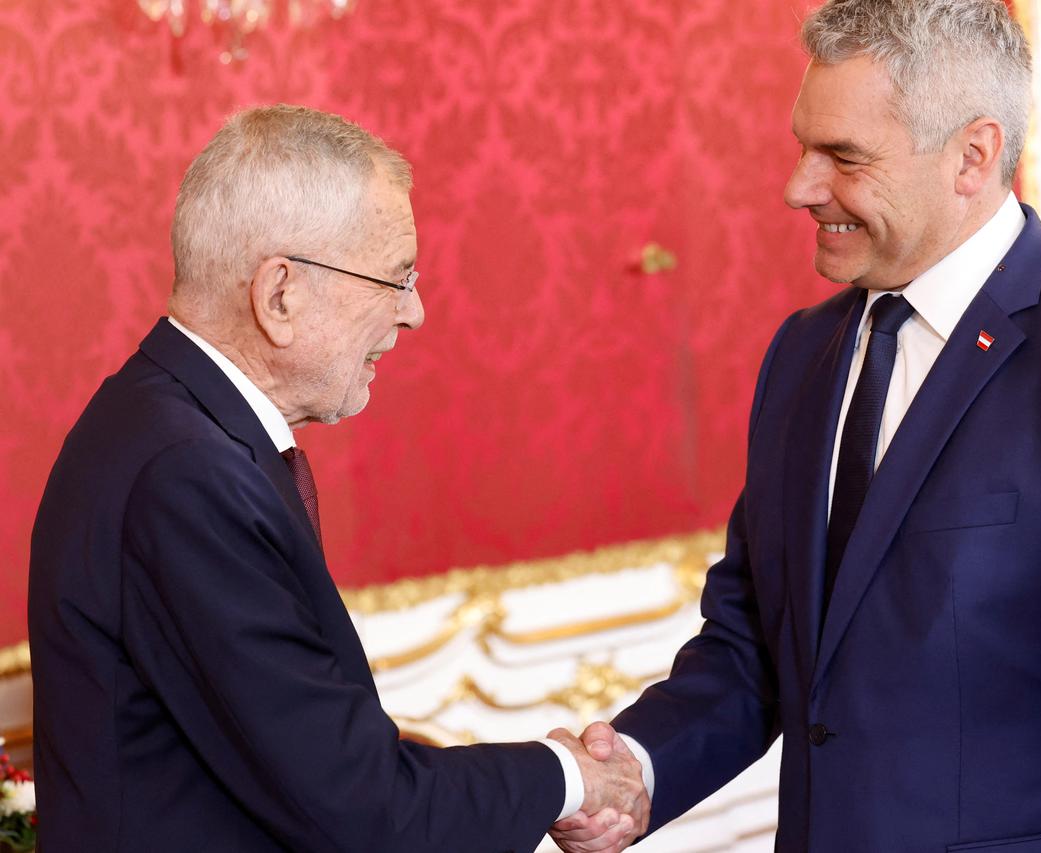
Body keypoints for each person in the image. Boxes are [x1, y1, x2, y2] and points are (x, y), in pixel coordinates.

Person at [552, 1, 1041, 851]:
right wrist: (635, 769)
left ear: (973, 156)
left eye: (843, 157)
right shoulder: (802, 354)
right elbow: (757, 646)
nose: (799, 187)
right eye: (804, 148)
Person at [28, 104, 647, 851]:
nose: (414, 312)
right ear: (280, 294)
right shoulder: (187, 475)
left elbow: (288, 749)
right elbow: (362, 809)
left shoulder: (167, 422)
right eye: (396, 277)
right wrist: (568, 776)